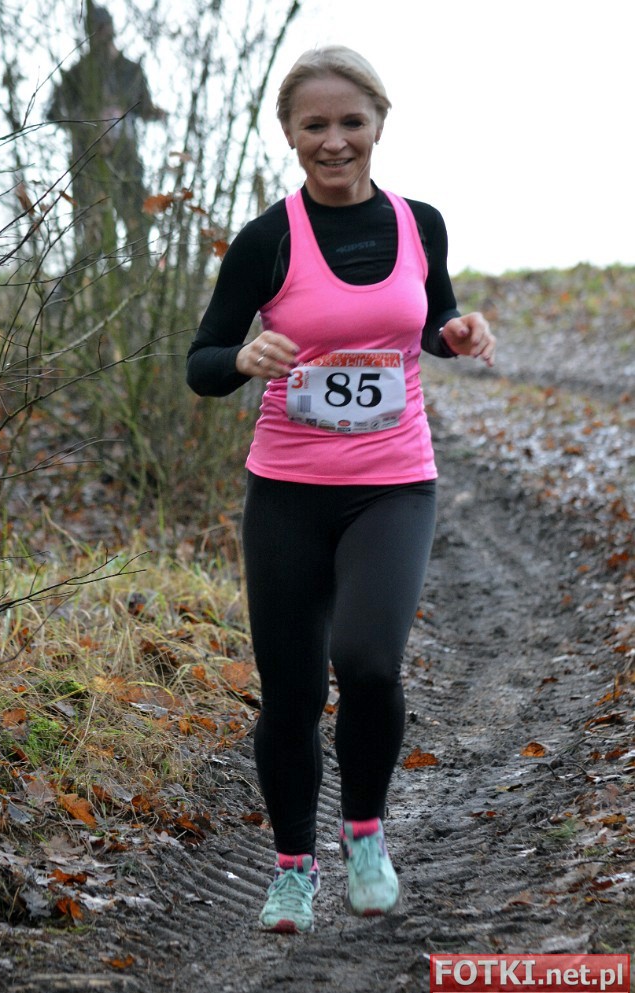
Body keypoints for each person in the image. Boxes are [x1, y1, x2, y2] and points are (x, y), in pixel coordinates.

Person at [186, 46, 496, 934]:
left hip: (392, 484)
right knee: (290, 692)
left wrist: (457, 331)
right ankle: (292, 869)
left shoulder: (418, 222)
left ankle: (364, 835)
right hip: (286, 489)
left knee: (365, 662)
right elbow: (203, 363)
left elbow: (429, 318)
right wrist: (243, 356)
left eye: (350, 122)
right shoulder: (267, 239)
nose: (334, 141)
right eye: (314, 125)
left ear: (378, 125)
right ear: (289, 134)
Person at [47, 5, 165, 261]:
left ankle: (138, 278)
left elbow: (144, 107)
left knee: (136, 225)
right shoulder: (77, 74)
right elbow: (54, 113)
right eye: (96, 29)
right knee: (92, 232)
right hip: (89, 162)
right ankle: (91, 281)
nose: (101, 34)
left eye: (103, 28)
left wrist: (152, 113)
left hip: (126, 160)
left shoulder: (130, 71)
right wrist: (89, 122)